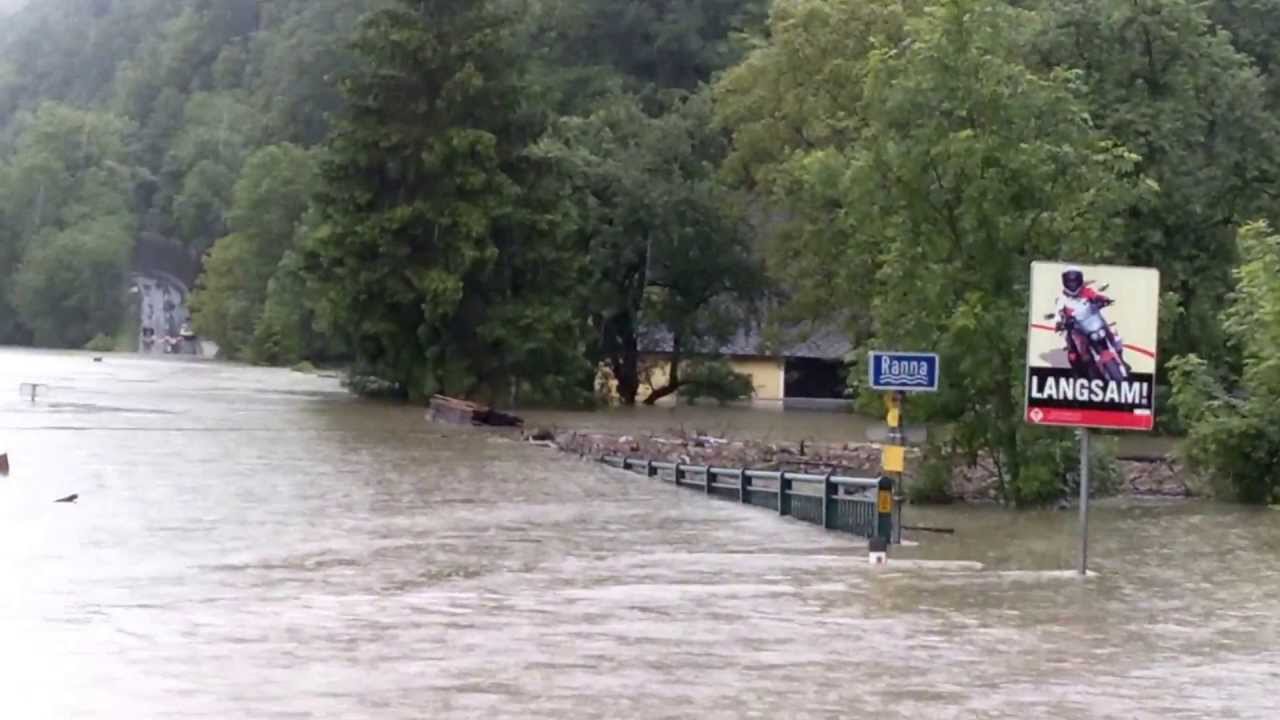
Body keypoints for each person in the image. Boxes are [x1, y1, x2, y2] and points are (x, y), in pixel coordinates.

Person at [1054, 266, 1126, 375]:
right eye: (1070, 282)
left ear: (1080, 280)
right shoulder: (1061, 299)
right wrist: (1060, 322)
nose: (1073, 284)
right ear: (1064, 282)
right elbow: (1058, 313)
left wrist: (1103, 300)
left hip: (1092, 322)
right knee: (1073, 351)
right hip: (1075, 328)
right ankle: (1079, 372)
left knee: (1114, 335)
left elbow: (1096, 296)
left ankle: (1120, 358)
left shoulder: (1086, 291)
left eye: (1075, 281)